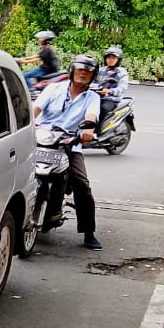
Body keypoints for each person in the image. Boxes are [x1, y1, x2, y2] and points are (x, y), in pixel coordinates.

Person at [34, 53, 103, 251]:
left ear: (93, 76)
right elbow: (35, 109)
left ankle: (88, 232)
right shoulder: (53, 88)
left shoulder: (92, 97)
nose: (83, 74)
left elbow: (91, 117)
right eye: (80, 69)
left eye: (88, 72)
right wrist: (26, 124)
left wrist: (88, 132)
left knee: (81, 183)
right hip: (42, 141)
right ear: (72, 71)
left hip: (69, 144)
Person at [96, 45, 130, 124]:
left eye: (113, 58)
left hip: (111, 100)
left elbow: (122, 88)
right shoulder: (100, 70)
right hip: (97, 98)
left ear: (118, 60)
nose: (110, 60)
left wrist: (109, 91)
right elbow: (92, 82)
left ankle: (98, 130)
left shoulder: (121, 73)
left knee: (102, 109)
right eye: (109, 58)